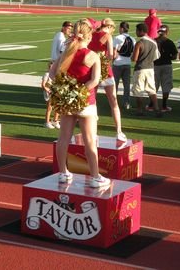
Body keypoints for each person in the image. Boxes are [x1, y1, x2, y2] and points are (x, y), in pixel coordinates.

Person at [51, 19, 110, 187]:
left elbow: (52, 73)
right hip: (86, 103)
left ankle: (63, 173)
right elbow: (94, 81)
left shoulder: (65, 53)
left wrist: (67, 91)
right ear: (89, 36)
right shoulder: (92, 56)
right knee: (90, 140)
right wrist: (79, 92)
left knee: (63, 138)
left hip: (67, 102)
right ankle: (95, 177)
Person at [88, 18, 127, 142]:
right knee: (114, 103)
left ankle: (93, 132)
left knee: (92, 102)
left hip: (93, 71)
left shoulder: (91, 35)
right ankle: (118, 131)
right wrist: (113, 56)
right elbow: (110, 56)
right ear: (110, 27)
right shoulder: (108, 36)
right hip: (106, 72)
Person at [131, 23, 161, 117]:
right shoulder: (153, 42)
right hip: (150, 69)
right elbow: (156, 57)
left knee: (139, 90)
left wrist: (132, 56)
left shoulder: (139, 43)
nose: (136, 32)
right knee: (152, 90)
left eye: (137, 31)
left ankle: (140, 110)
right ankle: (157, 109)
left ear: (141, 31)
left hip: (140, 69)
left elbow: (134, 59)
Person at [153, 25, 177, 112]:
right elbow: (174, 56)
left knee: (154, 85)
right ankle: (164, 105)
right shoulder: (169, 42)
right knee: (166, 86)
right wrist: (167, 57)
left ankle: (152, 104)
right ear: (167, 32)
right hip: (166, 65)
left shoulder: (154, 41)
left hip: (155, 65)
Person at [112, 21, 136, 110]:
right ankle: (126, 103)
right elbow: (133, 53)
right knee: (126, 85)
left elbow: (114, 53)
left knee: (115, 85)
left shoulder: (117, 38)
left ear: (122, 28)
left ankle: (114, 103)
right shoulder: (133, 39)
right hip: (127, 63)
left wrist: (112, 60)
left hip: (118, 63)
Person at [41, 62, 60, 129]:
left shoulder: (56, 74)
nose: (52, 68)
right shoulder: (47, 74)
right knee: (50, 107)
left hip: (56, 92)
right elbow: (43, 85)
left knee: (58, 107)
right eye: (50, 67)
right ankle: (47, 122)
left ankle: (55, 121)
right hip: (49, 93)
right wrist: (48, 90)